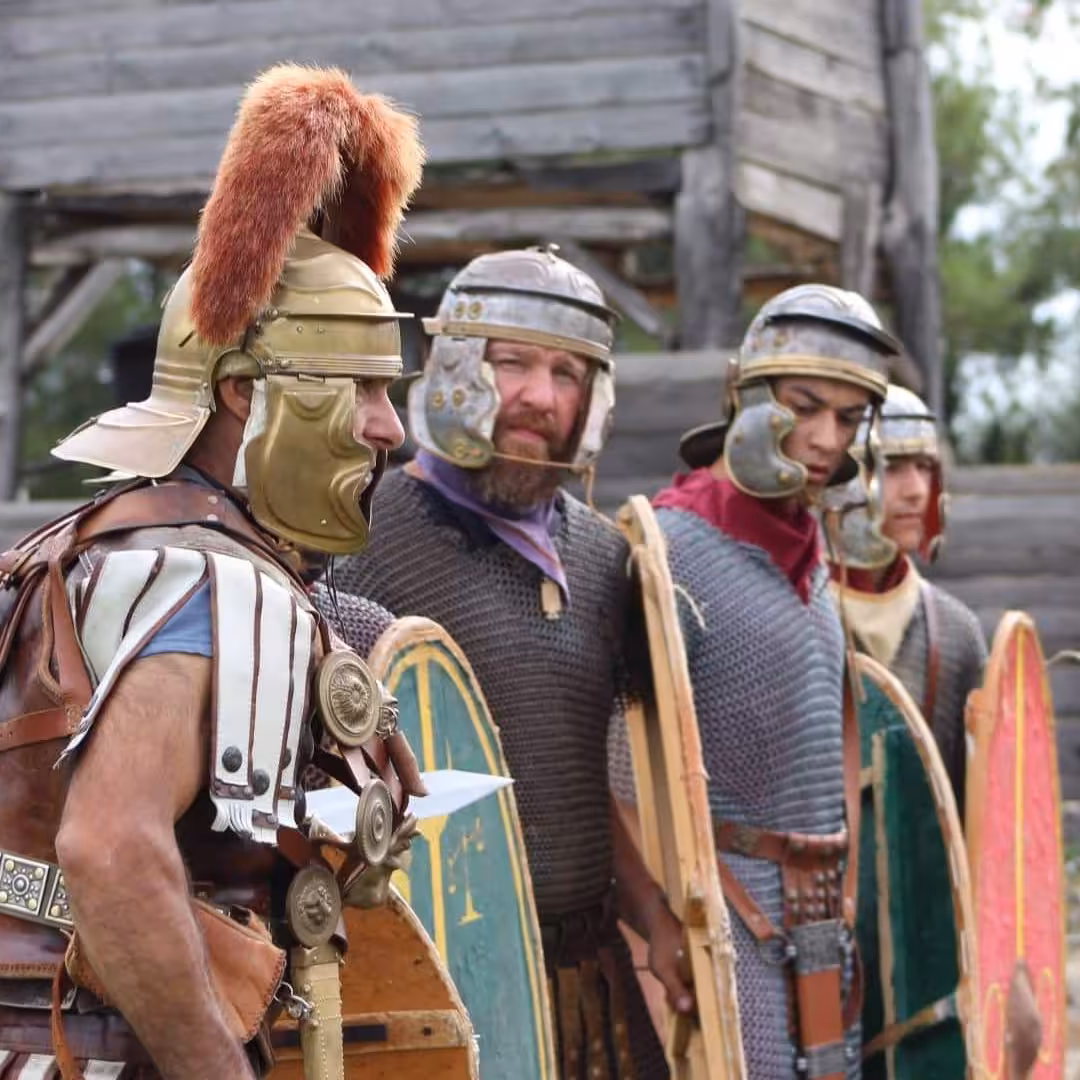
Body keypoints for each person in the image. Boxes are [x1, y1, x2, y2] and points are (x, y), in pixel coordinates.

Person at [0, 65, 426, 1079]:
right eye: (361, 390)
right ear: (239, 393)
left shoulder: (77, 554)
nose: (391, 429)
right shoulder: (216, 582)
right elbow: (110, 851)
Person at [333, 246, 686, 1078]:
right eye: (512, 362)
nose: (538, 396)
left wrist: (654, 916)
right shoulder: (363, 537)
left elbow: (571, 787)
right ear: (454, 364)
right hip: (438, 972)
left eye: (566, 373)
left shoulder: (602, 560)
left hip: (590, 973)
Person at [641, 284, 897, 1079]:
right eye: (805, 406)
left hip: (820, 922)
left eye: (850, 419)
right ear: (746, 395)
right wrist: (661, 926)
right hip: (725, 918)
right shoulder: (670, 549)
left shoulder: (812, 554)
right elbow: (632, 778)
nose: (826, 439)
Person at [828, 384, 986, 803]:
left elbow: (978, 805)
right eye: (893, 466)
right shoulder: (790, 614)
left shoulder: (955, 632)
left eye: (925, 467)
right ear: (844, 475)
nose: (917, 489)